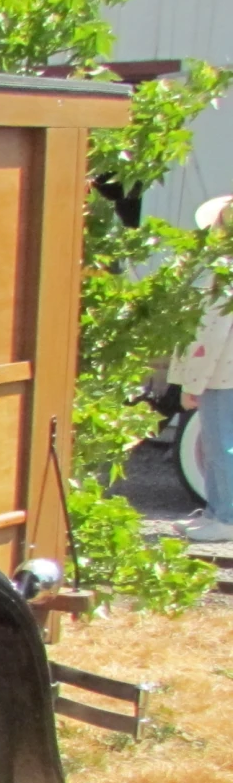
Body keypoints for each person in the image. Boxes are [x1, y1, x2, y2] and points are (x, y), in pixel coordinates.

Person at [173, 194, 233, 544]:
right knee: (220, 444)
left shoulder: (224, 272)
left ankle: (224, 516)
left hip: (222, 374)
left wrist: (191, 382)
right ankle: (216, 512)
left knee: (219, 445)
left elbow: (211, 336)